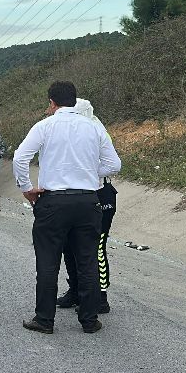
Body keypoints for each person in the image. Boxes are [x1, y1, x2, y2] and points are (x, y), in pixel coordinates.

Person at [13, 81, 121, 334]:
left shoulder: (45, 126)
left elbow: (20, 157)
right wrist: (89, 175)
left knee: (48, 261)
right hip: (87, 200)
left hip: (53, 202)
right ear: (75, 100)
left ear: (52, 102)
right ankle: (89, 319)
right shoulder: (93, 128)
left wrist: (27, 188)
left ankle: (44, 320)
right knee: (87, 261)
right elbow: (114, 164)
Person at [56, 98, 118, 313]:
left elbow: (113, 165)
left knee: (96, 248)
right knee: (68, 245)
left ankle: (100, 297)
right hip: (80, 195)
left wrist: (86, 173)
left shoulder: (96, 130)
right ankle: (76, 290)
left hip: (100, 194)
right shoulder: (75, 131)